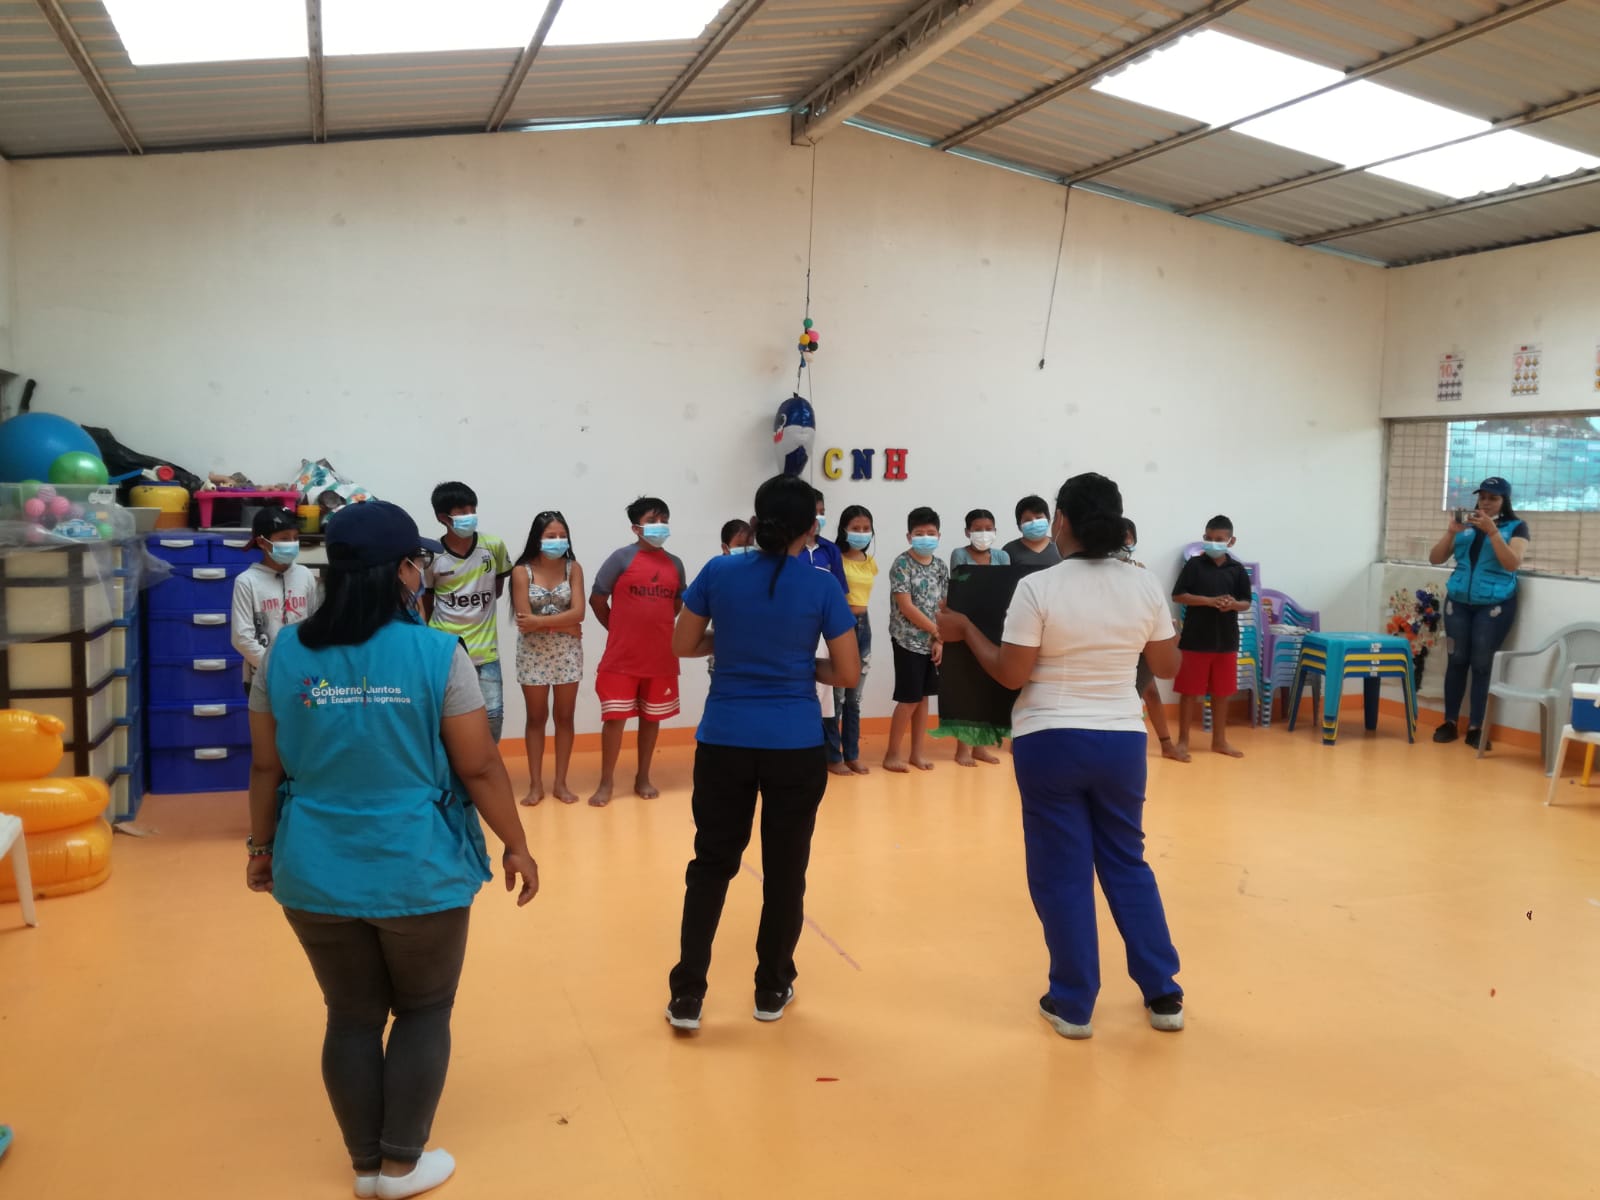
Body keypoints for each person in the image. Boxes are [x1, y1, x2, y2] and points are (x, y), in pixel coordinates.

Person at [245, 499, 539, 1200]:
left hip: (314, 867)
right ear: (404, 571)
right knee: (424, 1008)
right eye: (418, 564)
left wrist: (261, 846)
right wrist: (517, 845)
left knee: (350, 1015)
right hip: (419, 868)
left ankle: (364, 1164)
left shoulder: (284, 652)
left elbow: (264, 766)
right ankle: (401, 1165)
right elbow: (479, 766)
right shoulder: (437, 653)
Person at [937, 473, 1184, 1040]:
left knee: (1063, 873)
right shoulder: (1144, 584)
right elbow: (1167, 667)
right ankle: (1163, 994)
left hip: (1050, 740)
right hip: (1122, 742)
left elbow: (1010, 673)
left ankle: (1073, 1004)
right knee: (1127, 862)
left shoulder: (1039, 587)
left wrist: (967, 630)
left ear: (1063, 521)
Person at [664, 473, 859, 1032]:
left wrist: (733, 647)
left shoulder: (719, 571)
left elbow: (682, 643)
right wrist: (799, 664)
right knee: (785, 869)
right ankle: (771, 988)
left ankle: (687, 995)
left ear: (756, 518)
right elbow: (846, 672)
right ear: (811, 528)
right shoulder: (822, 585)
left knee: (711, 864)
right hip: (794, 744)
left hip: (724, 739)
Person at [589, 496, 687, 806]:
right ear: (636, 528)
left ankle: (643, 776)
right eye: (652, 521)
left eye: (664, 520)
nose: (660, 526)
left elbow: (677, 603)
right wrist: (617, 628)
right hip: (622, 658)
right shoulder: (620, 559)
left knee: (651, 718)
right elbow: (597, 599)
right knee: (615, 719)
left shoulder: (675, 564)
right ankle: (606, 781)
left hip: (661, 658)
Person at [1427, 476, 1531, 747]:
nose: (1485, 502)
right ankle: (1450, 722)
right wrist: (1451, 532)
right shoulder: (1465, 526)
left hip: (1494, 604)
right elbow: (1435, 558)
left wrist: (1493, 533)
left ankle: (1476, 727)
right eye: (1482, 497)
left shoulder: (1517, 527)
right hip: (1459, 602)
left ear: (1504, 501)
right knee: (1457, 660)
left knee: (1482, 664)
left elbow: (1512, 563)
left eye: (1493, 498)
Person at [423, 481, 512, 745]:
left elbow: (496, 590)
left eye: (472, 509)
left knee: (493, 718)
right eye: (462, 512)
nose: (470, 516)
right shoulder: (432, 555)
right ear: (443, 518)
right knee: (447, 719)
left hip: (486, 652)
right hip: (447, 652)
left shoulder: (493, 546)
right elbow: (427, 603)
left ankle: (485, 765)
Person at [510, 510, 586, 805]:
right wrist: (565, 625)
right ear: (537, 538)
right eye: (551, 536)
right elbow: (524, 621)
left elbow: (579, 613)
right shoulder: (522, 572)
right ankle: (535, 785)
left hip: (567, 653)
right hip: (533, 654)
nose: (558, 540)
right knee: (536, 718)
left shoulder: (573, 568)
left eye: (562, 536)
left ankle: (561, 783)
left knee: (565, 717)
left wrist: (543, 622)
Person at [1171, 516, 1253, 759]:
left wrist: (1232, 604)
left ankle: (1219, 741)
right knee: (1189, 692)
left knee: (1222, 693)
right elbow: (1178, 595)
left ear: (1231, 541)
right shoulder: (1194, 565)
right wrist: (1208, 601)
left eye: (1219, 539)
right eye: (1209, 538)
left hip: (1226, 640)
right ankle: (1183, 741)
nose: (1213, 542)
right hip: (1195, 639)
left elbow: (1246, 602)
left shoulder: (1237, 570)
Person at [231, 506, 319, 696]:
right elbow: (241, 638)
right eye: (284, 539)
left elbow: (315, 624)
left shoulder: (305, 575)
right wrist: (276, 667)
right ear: (262, 542)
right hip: (262, 677)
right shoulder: (246, 582)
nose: (292, 543)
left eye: (295, 538)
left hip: (302, 676)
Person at [885, 506, 948, 773]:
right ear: (909, 536)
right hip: (907, 641)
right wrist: (936, 631)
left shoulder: (940, 566)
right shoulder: (902, 564)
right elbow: (906, 606)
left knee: (923, 698)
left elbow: (944, 605)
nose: (925, 537)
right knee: (909, 698)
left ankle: (917, 754)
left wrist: (940, 640)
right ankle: (891, 755)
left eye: (931, 533)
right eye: (919, 533)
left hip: (932, 642)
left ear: (939, 535)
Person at [948, 508, 1011, 766]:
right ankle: (962, 748)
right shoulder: (959, 554)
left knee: (988, 687)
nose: (983, 533)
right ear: (967, 532)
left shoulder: (1002, 556)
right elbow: (961, 586)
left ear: (995, 531)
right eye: (977, 529)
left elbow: (1006, 588)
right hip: (966, 625)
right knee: (967, 687)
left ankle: (981, 747)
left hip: (994, 626)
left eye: (988, 528)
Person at [1122, 519, 1186, 762]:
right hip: (1122, 641)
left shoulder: (1142, 571)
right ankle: (1158, 743)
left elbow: (1153, 605)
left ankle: (1166, 744)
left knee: (1151, 691)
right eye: (1121, 537)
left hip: (1144, 639)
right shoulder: (1103, 573)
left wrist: (1167, 628)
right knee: (1139, 691)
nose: (1126, 541)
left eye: (1129, 537)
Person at [826, 505, 877, 775]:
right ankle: (833, 756)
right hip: (840, 626)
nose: (861, 532)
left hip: (864, 627)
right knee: (836, 698)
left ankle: (852, 754)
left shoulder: (869, 561)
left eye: (866, 528)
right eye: (855, 528)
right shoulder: (836, 558)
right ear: (844, 530)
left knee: (854, 699)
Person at [799, 487, 848, 591]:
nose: (818, 518)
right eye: (813, 513)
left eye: (821, 513)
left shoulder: (832, 549)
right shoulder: (789, 549)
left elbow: (840, 590)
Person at [1003, 495, 1063, 567]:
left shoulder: (1060, 545)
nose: (1034, 522)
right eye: (1027, 520)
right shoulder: (1009, 550)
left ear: (1048, 520)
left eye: (1039, 517)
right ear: (1019, 526)